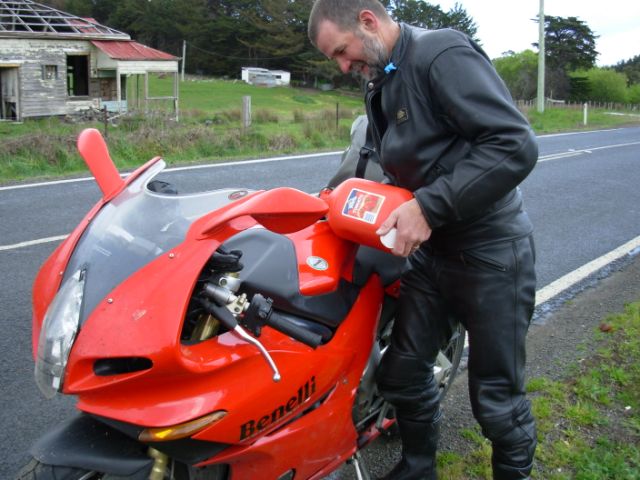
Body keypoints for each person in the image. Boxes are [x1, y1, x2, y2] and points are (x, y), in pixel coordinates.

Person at [308, 1, 538, 479]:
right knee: (402, 373)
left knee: (497, 402)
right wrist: (330, 198)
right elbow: (373, 156)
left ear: (368, 21)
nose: (343, 65)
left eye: (342, 51)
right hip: (432, 254)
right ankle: (418, 467)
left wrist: (429, 206)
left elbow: (514, 144)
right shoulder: (382, 79)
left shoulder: (440, 54)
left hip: (491, 252)